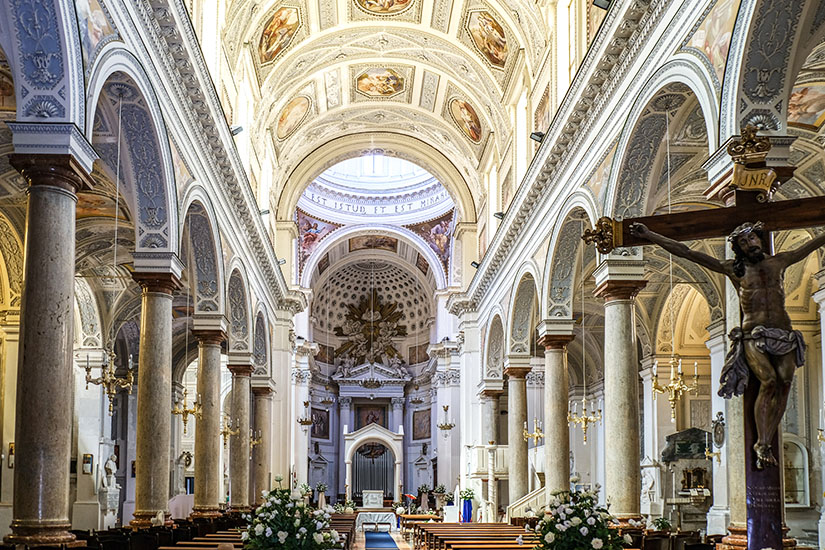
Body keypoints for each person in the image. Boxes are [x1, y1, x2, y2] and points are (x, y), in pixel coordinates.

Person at [631, 221, 825, 469]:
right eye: (743, 242)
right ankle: (762, 443)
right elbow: (687, 252)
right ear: (738, 248)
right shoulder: (735, 270)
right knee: (769, 381)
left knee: (785, 384)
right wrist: (650, 235)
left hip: (783, 333)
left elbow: (810, 246)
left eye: (752, 238)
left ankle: (765, 439)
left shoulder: (780, 261)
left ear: (760, 239)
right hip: (753, 335)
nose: (749, 244)